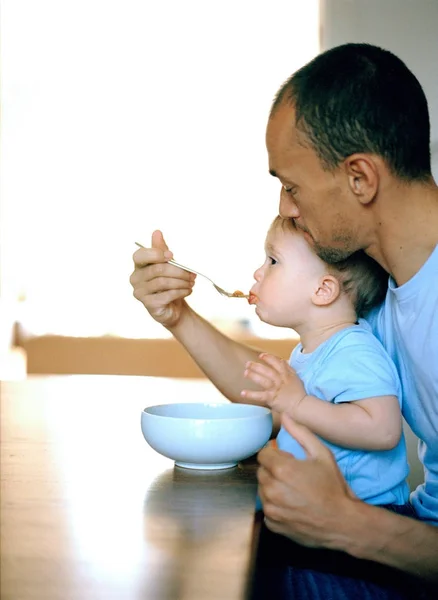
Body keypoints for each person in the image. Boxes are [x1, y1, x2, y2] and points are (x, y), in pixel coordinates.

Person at [130, 42, 438, 596]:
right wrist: (178, 316)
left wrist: (348, 525)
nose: (284, 209)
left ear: (360, 179)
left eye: (291, 187)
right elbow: (285, 388)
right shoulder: (385, 287)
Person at [242, 214, 411, 512]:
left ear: (323, 291)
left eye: (273, 261)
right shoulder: (311, 350)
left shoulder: (355, 350)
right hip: (321, 510)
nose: (258, 272)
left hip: (367, 519)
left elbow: (383, 430)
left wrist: (297, 403)